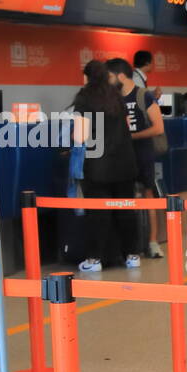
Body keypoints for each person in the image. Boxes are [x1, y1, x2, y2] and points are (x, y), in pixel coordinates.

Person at [71, 60, 140, 272]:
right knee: (126, 211)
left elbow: (81, 135)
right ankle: (132, 255)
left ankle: (94, 260)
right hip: (125, 163)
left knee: (98, 214)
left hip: (98, 165)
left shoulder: (84, 98)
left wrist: (73, 138)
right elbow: (127, 126)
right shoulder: (116, 96)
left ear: (87, 77)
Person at [108, 57, 166, 258]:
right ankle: (130, 246)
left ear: (120, 76)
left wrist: (131, 136)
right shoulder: (113, 99)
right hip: (122, 157)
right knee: (124, 199)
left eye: (109, 76)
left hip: (142, 154)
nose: (108, 81)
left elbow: (158, 127)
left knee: (148, 195)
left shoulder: (143, 96)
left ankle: (152, 242)